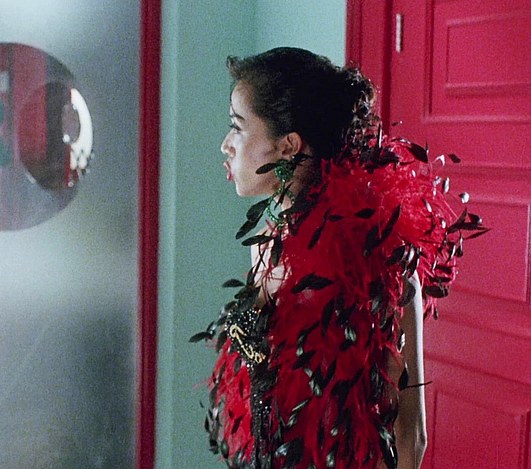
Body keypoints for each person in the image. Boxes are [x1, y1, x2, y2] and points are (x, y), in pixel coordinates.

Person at [192, 47, 485, 468]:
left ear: (288, 146)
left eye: (237, 127)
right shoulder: (265, 243)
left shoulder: (379, 261)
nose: (225, 145)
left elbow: (410, 436)